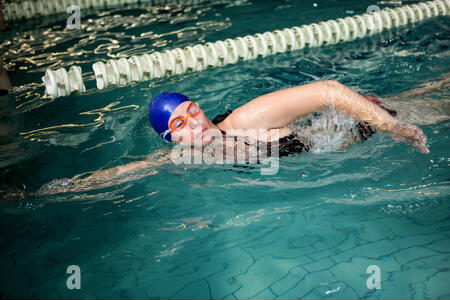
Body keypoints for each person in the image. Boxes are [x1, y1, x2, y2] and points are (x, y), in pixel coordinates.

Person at [3, 75, 449, 199]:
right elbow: (119, 174)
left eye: (191, 109)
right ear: (172, 141)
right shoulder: (189, 158)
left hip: (370, 121)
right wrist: (35, 193)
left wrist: (396, 127)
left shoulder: (245, 120)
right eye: (178, 123)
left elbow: (329, 92)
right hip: (348, 137)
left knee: (431, 105)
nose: (193, 121)